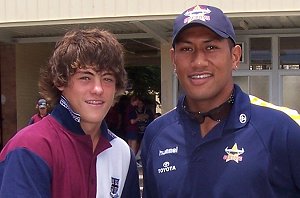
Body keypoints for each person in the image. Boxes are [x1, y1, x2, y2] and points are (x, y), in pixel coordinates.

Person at [141, 4, 300, 197]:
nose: (198, 61)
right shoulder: (156, 135)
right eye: (186, 48)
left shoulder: (280, 130)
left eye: (211, 47)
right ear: (174, 59)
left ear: (235, 56)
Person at [0, 28, 140, 198]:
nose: (98, 89)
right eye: (85, 77)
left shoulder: (122, 153)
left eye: (107, 79)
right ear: (61, 81)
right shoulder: (30, 147)